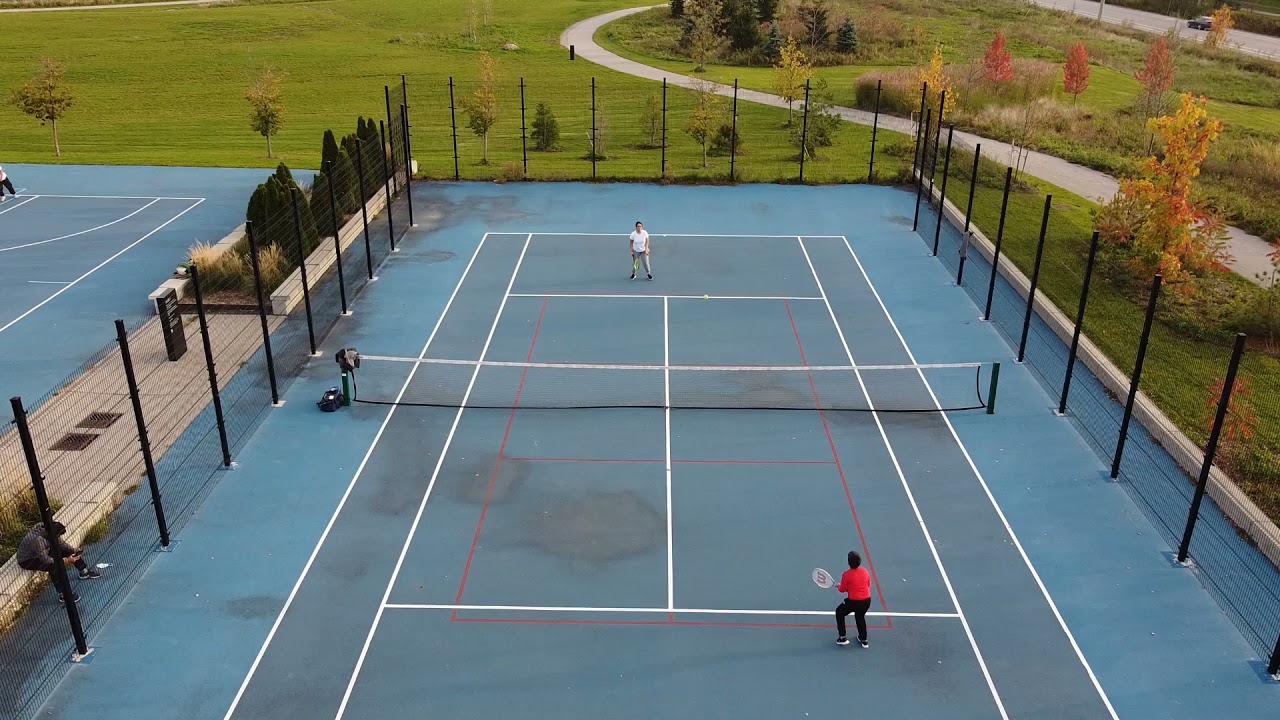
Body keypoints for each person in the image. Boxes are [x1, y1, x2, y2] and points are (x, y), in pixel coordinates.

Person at [16, 521, 101, 604]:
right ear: (53, 535)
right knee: (53, 567)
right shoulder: (38, 540)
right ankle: (62, 594)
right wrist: (65, 561)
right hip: (28, 560)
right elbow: (45, 559)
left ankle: (84, 571)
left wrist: (73, 550)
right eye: (58, 536)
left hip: (42, 551)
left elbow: (61, 544)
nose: (59, 537)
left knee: (66, 551)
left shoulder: (49, 530)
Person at [834, 550, 871, 647]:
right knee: (860, 617)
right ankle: (864, 640)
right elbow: (867, 585)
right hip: (866, 601)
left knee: (839, 612)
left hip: (854, 602)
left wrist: (838, 586)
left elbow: (842, 589)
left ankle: (842, 638)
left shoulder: (846, 574)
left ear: (848, 563)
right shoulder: (865, 571)